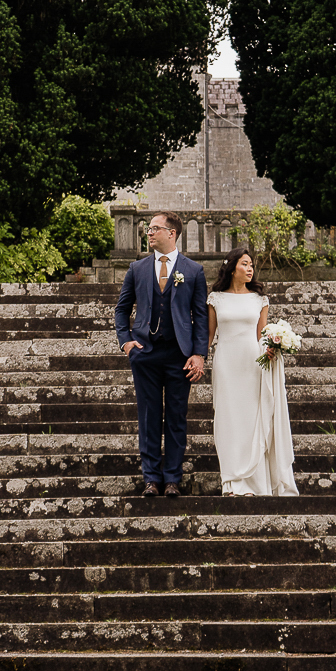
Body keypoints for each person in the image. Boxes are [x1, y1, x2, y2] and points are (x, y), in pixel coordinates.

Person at [114, 212, 208, 496]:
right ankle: (151, 479)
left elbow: (201, 317)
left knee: (177, 417)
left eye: (155, 229)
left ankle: (172, 480)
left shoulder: (193, 270)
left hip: (180, 354)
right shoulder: (137, 268)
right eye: (149, 229)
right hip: (145, 353)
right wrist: (126, 342)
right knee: (148, 416)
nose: (149, 233)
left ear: (172, 233)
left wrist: (199, 354)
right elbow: (121, 309)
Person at [207, 246, 298, 496]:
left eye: (251, 265)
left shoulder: (260, 299)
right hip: (226, 362)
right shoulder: (215, 298)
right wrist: (197, 357)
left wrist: (271, 348)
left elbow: (262, 335)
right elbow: (209, 335)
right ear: (232, 266)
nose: (250, 269)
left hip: (252, 363)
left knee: (250, 420)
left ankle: (254, 483)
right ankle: (232, 482)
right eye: (245, 264)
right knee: (228, 419)